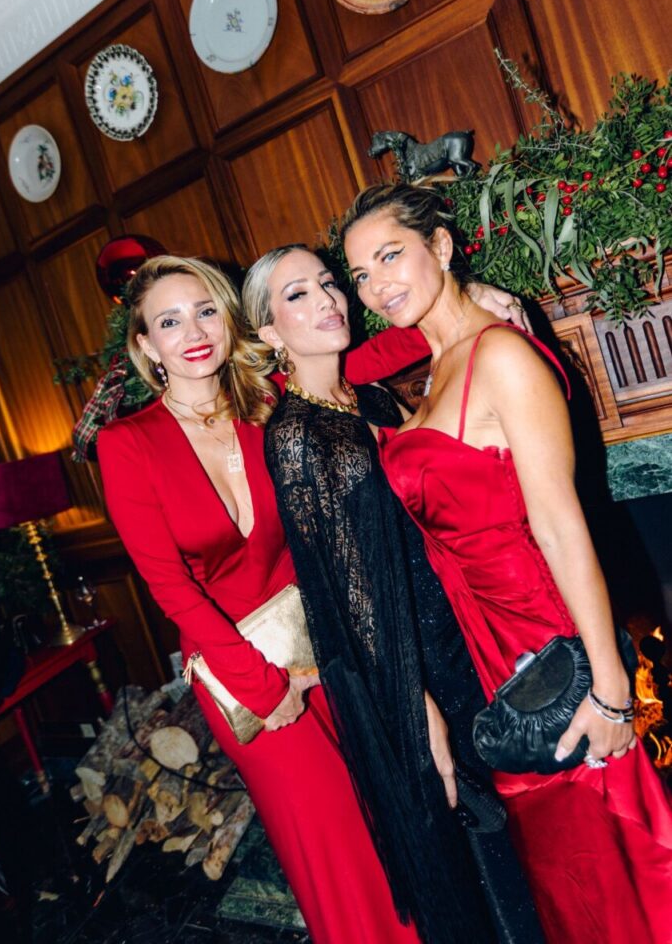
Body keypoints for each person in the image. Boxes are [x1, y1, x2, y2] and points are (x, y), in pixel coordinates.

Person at [96, 253, 526, 943]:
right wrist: (263, 687)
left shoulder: (263, 400)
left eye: (206, 310)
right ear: (145, 345)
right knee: (334, 851)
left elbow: (353, 358)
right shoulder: (128, 444)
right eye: (169, 322)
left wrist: (459, 302)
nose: (194, 332)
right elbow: (169, 588)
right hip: (247, 680)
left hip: (333, 648)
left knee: (391, 826)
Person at [340, 182, 672, 944]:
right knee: (566, 882)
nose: (376, 284)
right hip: (488, 656)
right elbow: (329, 365)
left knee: (613, 866)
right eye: (360, 275)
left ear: (443, 247)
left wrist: (613, 690)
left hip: (546, 642)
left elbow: (560, 525)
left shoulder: (501, 356)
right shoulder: (432, 368)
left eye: (390, 255)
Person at [243, 245, 545, 944]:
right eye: (297, 296)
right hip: (413, 670)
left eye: (327, 283)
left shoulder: (367, 398)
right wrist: (418, 711)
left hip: (459, 633)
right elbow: (352, 600)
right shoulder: (294, 436)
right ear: (267, 333)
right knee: (482, 856)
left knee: (517, 833)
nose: (325, 300)